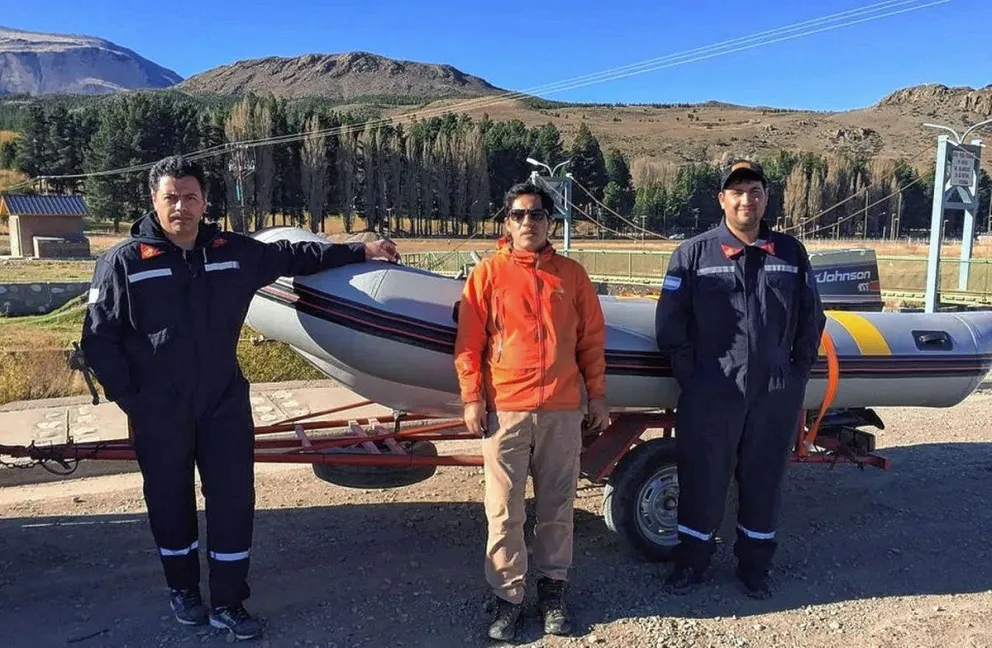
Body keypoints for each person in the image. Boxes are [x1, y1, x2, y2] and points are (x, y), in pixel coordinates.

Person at [80, 155, 398, 640]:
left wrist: (362, 249)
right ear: (154, 200)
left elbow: (296, 256)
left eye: (190, 197)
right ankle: (184, 589)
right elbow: (99, 340)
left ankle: (229, 602)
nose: (181, 207)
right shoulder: (123, 262)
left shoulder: (232, 252)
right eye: (171, 197)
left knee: (232, 501)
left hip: (223, 404)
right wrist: (134, 401)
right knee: (169, 503)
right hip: (158, 409)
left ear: (205, 201)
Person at [654, 159, 826, 599]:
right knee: (703, 477)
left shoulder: (789, 252)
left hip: (774, 391)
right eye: (737, 191)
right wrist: (694, 380)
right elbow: (671, 325)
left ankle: (755, 568)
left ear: (766, 199)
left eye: (754, 191)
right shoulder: (693, 254)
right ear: (722, 200)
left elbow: (812, 318)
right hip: (712, 389)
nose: (746, 199)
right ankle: (692, 564)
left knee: (764, 479)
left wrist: (796, 375)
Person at [454, 181, 610, 641]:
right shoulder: (487, 275)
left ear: (550, 222)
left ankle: (553, 590)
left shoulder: (573, 275)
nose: (529, 222)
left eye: (537, 214)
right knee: (503, 509)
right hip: (506, 408)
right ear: (507, 222)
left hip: (562, 409)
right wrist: (471, 397)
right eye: (519, 214)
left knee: (557, 506)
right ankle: (507, 596)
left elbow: (591, 342)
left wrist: (597, 395)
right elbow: (469, 344)